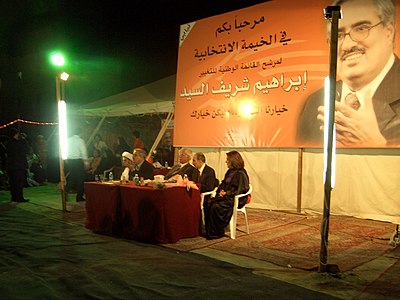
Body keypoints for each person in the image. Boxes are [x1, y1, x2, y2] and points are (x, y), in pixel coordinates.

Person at [296, 0, 399, 147]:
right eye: (338, 36)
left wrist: (378, 145)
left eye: (361, 29)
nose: (347, 45)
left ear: (389, 31)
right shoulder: (314, 103)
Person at [204, 151, 250, 240]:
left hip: (234, 199)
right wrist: (220, 191)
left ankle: (216, 232)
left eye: (227, 160)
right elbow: (224, 183)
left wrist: (227, 193)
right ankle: (209, 230)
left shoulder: (241, 173)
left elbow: (242, 189)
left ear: (233, 161)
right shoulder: (230, 171)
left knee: (216, 206)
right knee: (208, 202)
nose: (226, 162)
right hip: (226, 196)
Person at [6, 128, 29, 202]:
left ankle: (14, 197)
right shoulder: (17, 143)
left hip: (11, 166)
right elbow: (25, 149)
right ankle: (19, 197)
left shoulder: (9, 143)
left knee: (13, 183)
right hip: (18, 166)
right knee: (19, 183)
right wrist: (23, 139)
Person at [66, 128, 89, 202]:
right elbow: (83, 153)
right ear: (80, 133)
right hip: (77, 161)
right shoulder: (80, 141)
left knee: (72, 177)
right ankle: (79, 197)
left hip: (69, 160)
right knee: (80, 179)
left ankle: (66, 191)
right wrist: (86, 163)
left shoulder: (68, 140)